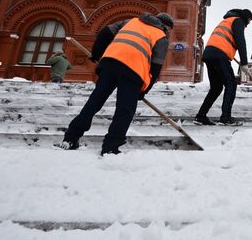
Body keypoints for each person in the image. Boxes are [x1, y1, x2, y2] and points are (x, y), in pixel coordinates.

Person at [56, 12, 173, 155]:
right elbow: (156, 67)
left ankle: (70, 138)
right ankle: (111, 146)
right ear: (165, 27)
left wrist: (97, 53)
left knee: (94, 102)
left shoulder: (132, 21)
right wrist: (143, 90)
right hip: (133, 71)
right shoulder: (161, 36)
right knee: (125, 110)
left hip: (109, 64)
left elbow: (105, 32)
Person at [194, 8, 252, 126]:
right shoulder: (238, 21)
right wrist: (244, 63)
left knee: (216, 88)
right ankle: (225, 118)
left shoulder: (227, 21)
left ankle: (200, 116)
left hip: (210, 54)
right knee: (231, 84)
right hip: (220, 54)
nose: (248, 24)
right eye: (249, 21)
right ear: (246, 18)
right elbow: (241, 41)